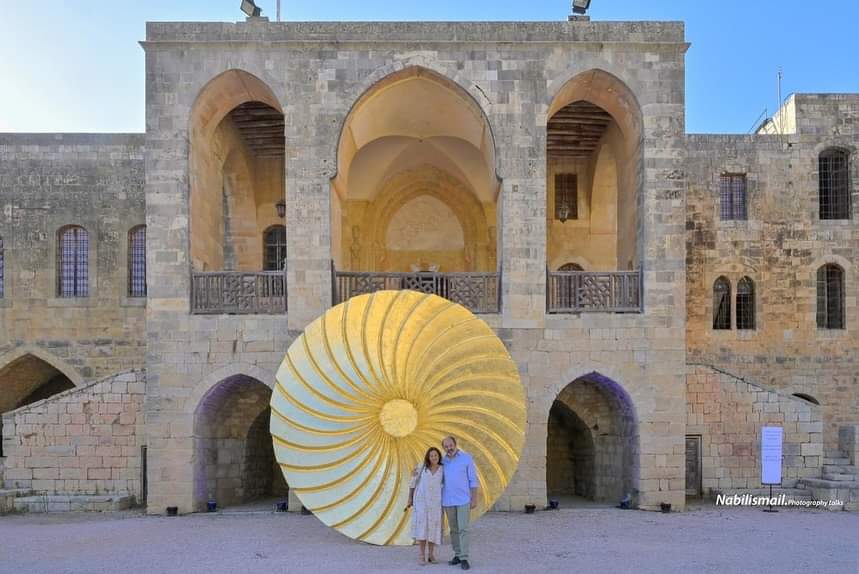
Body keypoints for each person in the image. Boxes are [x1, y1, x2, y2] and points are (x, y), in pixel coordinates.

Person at [441, 436, 478, 571]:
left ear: (455, 444)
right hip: (448, 500)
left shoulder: (466, 458)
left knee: (463, 529)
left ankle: (464, 558)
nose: (449, 448)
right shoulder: (442, 461)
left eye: (450, 445)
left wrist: (474, 498)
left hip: (463, 500)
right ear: (443, 448)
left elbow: (473, 480)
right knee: (453, 530)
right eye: (446, 446)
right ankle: (457, 554)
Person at [406, 446, 444, 565]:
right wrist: (410, 498)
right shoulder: (421, 467)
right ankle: (422, 555)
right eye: (431, 455)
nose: (434, 457)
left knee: (433, 527)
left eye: (436, 455)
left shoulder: (443, 469)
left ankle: (431, 554)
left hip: (436, 503)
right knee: (422, 527)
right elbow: (412, 482)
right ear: (428, 457)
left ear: (439, 457)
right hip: (421, 502)